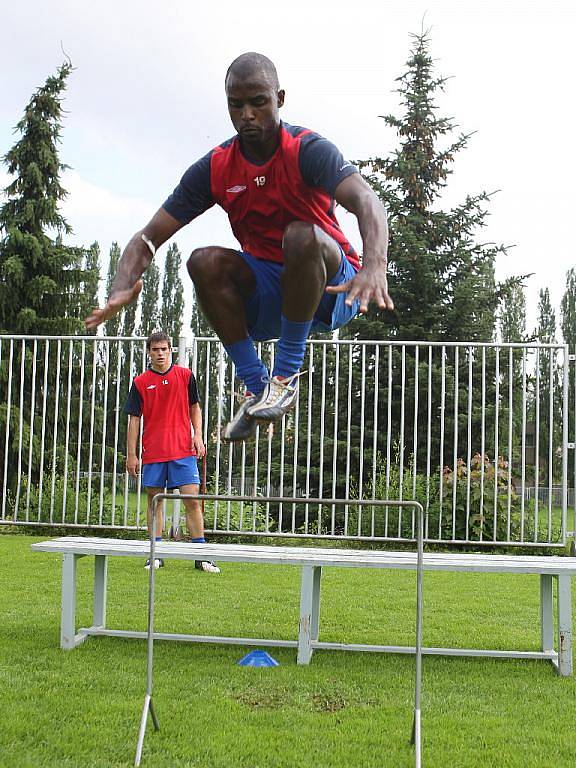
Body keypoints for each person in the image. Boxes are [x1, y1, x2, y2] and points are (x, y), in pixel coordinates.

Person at [86, 52, 393, 442]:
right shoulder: (217, 167)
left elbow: (367, 201)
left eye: (258, 102)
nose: (247, 114)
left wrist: (374, 265)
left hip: (332, 286)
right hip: (270, 294)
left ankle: (283, 378)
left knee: (300, 235)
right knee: (203, 262)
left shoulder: (307, 149)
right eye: (236, 104)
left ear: (279, 99)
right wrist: (121, 285)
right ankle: (256, 387)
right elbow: (148, 237)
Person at [124, 331, 220, 573]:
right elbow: (134, 420)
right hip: (154, 452)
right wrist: (132, 454)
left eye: (164, 349)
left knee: (192, 501)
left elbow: (195, 408)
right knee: (155, 503)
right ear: (149, 352)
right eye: (155, 349)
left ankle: (201, 556)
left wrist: (197, 435)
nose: (160, 353)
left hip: (183, 451)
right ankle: (155, 555)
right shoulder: (140, 383)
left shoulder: (185, 376)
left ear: (170, 351)